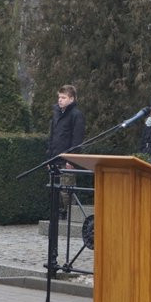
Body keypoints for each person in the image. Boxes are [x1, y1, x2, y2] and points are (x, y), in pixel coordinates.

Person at [46, 84, 85, 217]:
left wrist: (72, 159)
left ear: (72, 99)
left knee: (66, 190)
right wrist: (49, 158)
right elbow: (52, 136)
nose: (60, 100)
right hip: (54, 158)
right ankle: (57, 213)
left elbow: (77, 139)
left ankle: (70, 215)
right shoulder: (56, 113)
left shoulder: (76, 115)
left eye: (63, 97)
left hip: (66, 160)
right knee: (54, 189)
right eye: (59, 97)